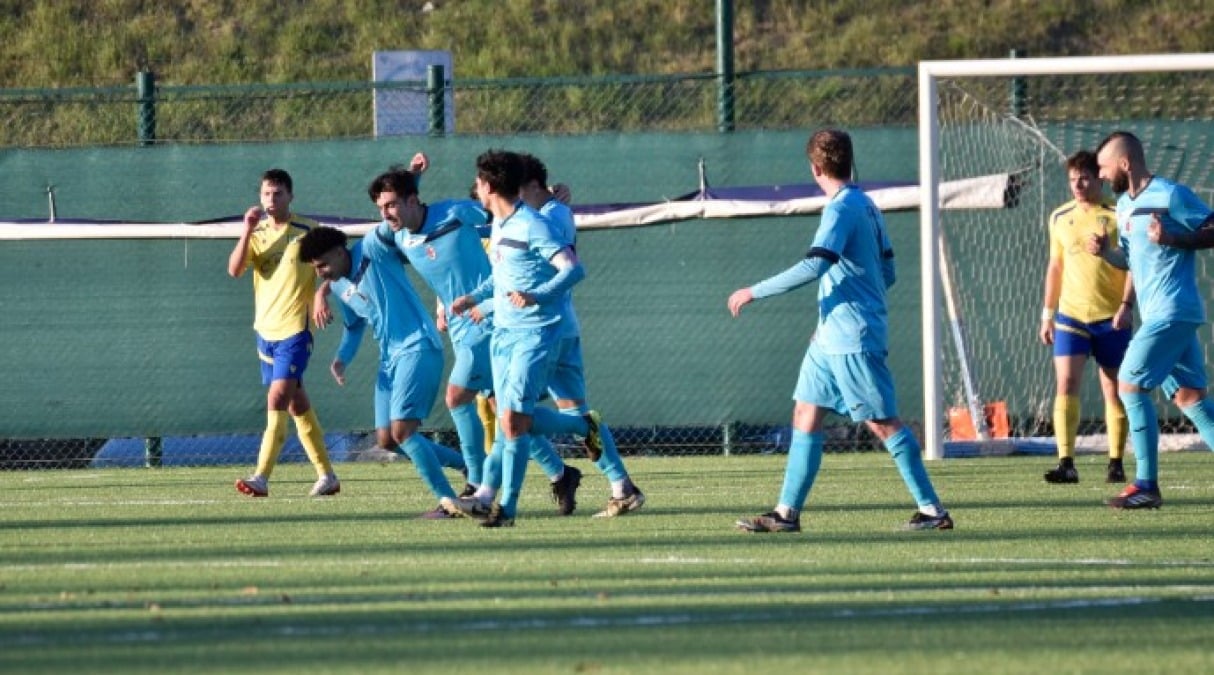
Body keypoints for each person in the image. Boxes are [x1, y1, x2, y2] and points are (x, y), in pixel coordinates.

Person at [729, 129, 953, 533]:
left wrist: (753, 291)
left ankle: (933, 510)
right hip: (831, 336)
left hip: (851, 337)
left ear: (815, 168)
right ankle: (786, 513)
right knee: (805, 412)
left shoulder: (840, 210)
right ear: (850, 161)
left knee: (882, 422)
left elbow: (816, 265)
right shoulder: (867, 204)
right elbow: (888, 271)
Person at [363, 166, 583, 517]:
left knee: (456, 397)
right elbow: (369, 245)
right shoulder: (399, 235)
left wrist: (544, 203)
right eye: (380, 208)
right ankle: (563, 469)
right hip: (461, 327)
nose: (385, 214)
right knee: (506, 411)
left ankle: (474, 480)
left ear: (412, 200)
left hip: (490, 319)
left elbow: (506, 213)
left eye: (390, 205)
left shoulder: (454, 212)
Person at [297, 217, 482, 519]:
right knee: (386, 439)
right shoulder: (340, 284)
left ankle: (448, 502)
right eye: (316, 269)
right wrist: (342, 357)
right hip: (389, 360)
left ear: (340, 252)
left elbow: (396, 221)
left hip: (417, 347)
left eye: (322, 266)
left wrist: (413, 178)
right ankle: (464, 464)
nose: (320, 274)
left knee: (404, 431)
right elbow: (355, 325)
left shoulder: (372, 249)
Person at [451, 149, 592, 528]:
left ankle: (506, 507)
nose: (476, 188)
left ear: (489, 185)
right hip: (502, 334)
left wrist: (539, 296)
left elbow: (573, 269)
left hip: (535, 333)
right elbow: (503, 275)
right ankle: (581, 428)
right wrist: (475, 297)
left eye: (479, 182)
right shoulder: (499, 224)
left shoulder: (533, 224)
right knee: (509, 419)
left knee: (513, 420)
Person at [1086, 130, 1214, 510]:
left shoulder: (1171, 195)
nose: (1102, 177)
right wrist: (1107, 253)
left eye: (1105, 169)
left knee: (1129, 386)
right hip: (1160, 315)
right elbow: (1133, 259)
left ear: (1125, 164)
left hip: (1172, 312)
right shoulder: (1124, 205)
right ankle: (1145, 484)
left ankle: (1145, 485)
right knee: (1190, 399)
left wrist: (1174, 238)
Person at [515, 152, 646, 517]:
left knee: (509, 409)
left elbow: (553, 262)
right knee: (572, 409)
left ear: (530, 186)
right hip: (561, 325)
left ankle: (500, 490)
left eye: (514, 189)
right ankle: (621, 485)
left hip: (543, 327)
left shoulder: (547, 216)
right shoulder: (552, 210)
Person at [226, 168, 339, 498]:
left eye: (278, 194)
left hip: (295, 331)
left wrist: (321, 292)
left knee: (277, 398)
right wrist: (246, 230)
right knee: (296, 404)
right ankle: (327, 475)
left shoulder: (306, 231)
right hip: (265, 331)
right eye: (266, 194)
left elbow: (341, 260)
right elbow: (234, 270)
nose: (271, 200)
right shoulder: (257, 232)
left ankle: (261, 476)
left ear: (291, 196)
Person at [1038, 151, 1133, 485]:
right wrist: (1047, 314)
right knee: (1066, 383)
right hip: (1071, 316)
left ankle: (1116, 462)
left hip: (1111, 318)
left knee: (1115, 389)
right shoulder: (1060, 217)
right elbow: (1055, 266)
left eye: (1084, 178)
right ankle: (1067, 463)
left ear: (1099, 178)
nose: (1078, 185)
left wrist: (1126, 304)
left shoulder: (1119, 213)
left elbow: (1133, 262)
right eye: (1072, 179)